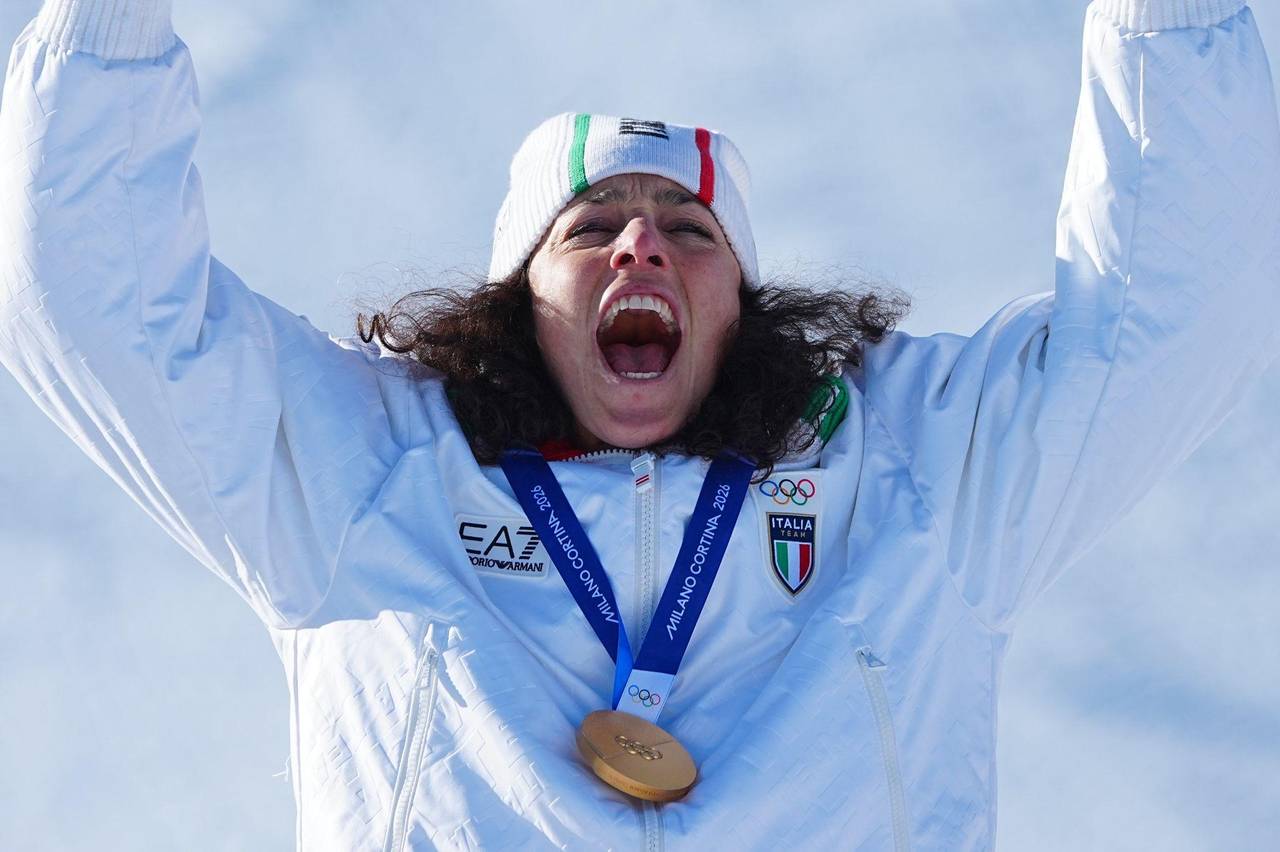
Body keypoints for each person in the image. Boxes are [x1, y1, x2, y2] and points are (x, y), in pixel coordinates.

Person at [1, 0, 1276, 849]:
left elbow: (1169, 321)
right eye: (591, 225)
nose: (639, 247)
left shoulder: (909, 470)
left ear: (744, 306)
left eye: (687, 228)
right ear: (515, 302)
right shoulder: (364, 465)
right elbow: (96, 300)